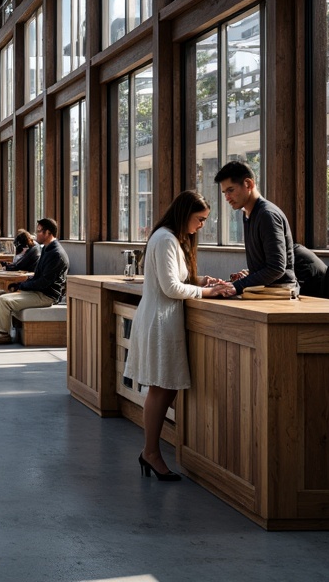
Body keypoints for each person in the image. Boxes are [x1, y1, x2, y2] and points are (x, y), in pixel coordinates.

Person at [123, 191, 235, 480]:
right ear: (185, 214)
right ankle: (150, 452)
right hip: (161, 322)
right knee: (161, 388)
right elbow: (171, 288)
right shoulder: (165, 239)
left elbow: (172, 280)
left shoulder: (167, 239)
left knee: (165, 387)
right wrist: (209, 291)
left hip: (162, 320)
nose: (201, 226)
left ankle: (150, 452)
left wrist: (200, 280)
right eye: (200, 219)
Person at [0, 218, 69, 345]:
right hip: (38, 291)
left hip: (47, 296)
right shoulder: (46, 249)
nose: (35, 234)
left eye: (39, 231)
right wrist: (20, 285)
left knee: (4, 301)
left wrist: (22, 286)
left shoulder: (56, 253)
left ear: (48, 232)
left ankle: (2, 335)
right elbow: (38, 276)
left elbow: (44, 282)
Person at [214, 161, 297, 296]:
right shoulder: (248, 214)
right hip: (263, 290)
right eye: (224, 192)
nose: (227, 198)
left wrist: (238, 285)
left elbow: (276, 268)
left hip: (279, 293)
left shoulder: (267, 215)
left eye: (230, 190)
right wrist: (247, 275)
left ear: (248, 184)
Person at [0, 229, 41, 333]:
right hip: (27, 280)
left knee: (1, 297)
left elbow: (20, 265)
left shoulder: (34, 249)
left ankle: (1, 333)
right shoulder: (34, 248)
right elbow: (19, 263)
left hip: (28, 282)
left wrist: (8, 269)